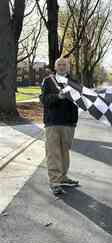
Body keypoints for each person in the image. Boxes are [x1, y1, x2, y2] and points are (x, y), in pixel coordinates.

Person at [40, 58, 79, 195]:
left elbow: (80, 101)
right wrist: (58, 96)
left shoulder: (74, 82)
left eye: (65, 64)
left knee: (64, 152)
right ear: (56, 67)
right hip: (53, 123)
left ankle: (63, 177)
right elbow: (43, 100)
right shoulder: (48, 81)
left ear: (68, 67)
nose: (62, 67)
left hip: (69, 123)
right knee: (53, 152)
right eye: (59, 65)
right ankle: (55, 182)